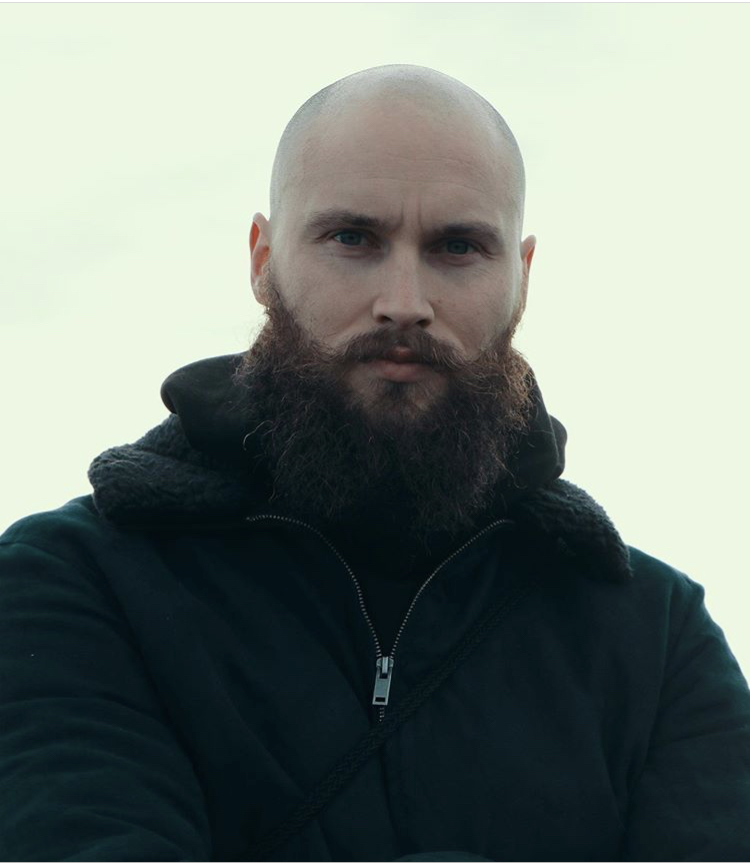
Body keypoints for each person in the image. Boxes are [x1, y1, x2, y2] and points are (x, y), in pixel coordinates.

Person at [1, 64, 749, 863]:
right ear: (262, 259)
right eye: (353, 238)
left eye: (457, 247)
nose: (404, 301)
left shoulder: (656, 639)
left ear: (522, 279)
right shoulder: (75, 583)